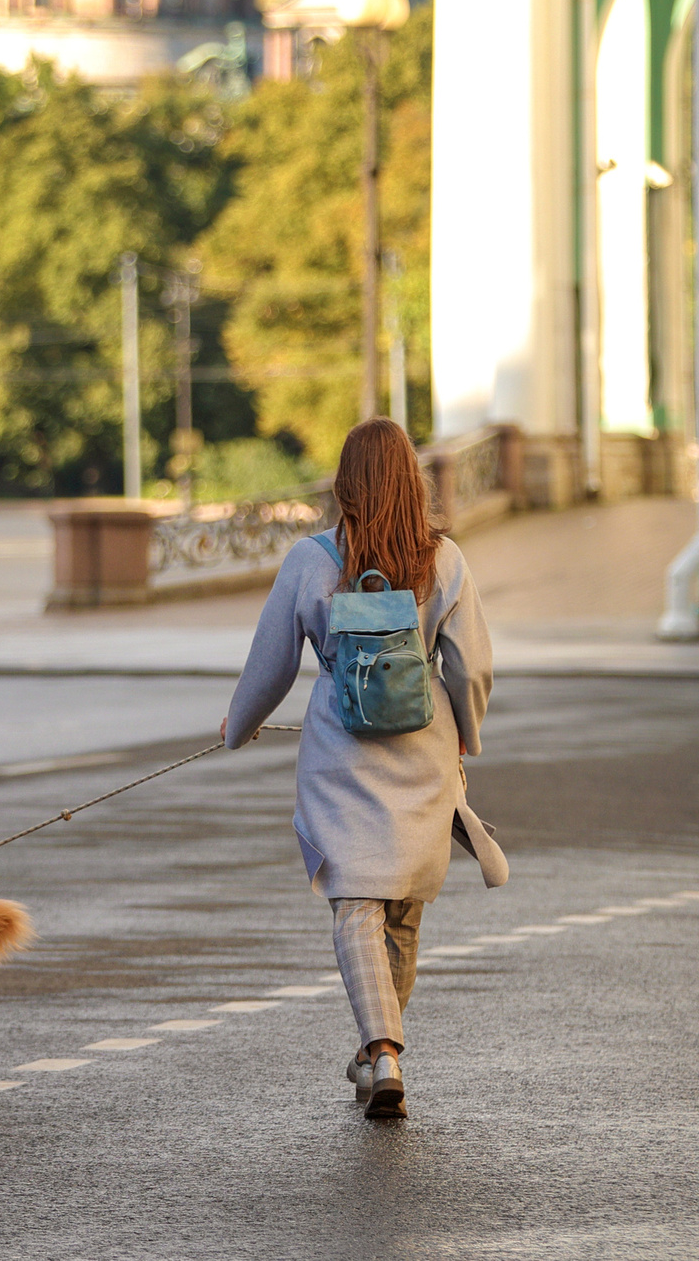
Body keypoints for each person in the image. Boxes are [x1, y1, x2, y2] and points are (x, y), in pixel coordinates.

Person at [222, 416, 504, 1119]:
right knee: (400, 907)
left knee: (355, 899)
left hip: (340, 752)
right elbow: (471, 666)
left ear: (344, 483)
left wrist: (238, 727)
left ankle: (381, 1050)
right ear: (413, 480)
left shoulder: (311, 559)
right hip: (423, 749)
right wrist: (466, 733)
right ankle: (383, 1051)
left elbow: (271, 662)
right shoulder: (444, 560)